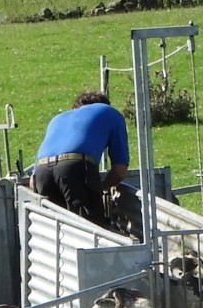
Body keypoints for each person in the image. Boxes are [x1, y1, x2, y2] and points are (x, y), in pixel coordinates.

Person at [31, 89, 131, 227]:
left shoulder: (57, 119)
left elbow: (32, 180)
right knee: (92, 228)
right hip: (75, 167)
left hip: (42, 172)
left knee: (55, 231)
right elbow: (120, 170)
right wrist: (101, 188)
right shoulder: (110, 113)